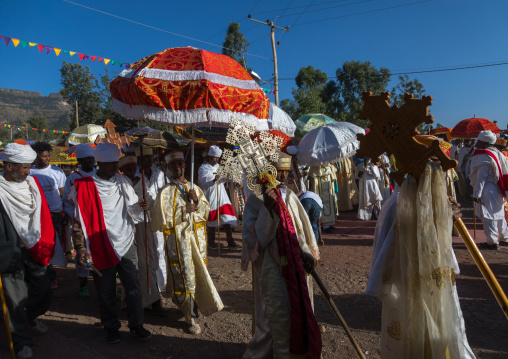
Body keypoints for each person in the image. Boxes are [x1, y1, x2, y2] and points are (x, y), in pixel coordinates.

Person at [366, 161, 475, 359]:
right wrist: (436, 218)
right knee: (418, 336)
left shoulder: (429, 198)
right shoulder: (399, 202)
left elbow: (447, 240)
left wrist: (448, 219)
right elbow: (400, 249)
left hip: (437, 283)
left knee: (444, 331)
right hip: (411, 287)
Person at [242, 152, 322, 358]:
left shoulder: (292, 198)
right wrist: (267, 211)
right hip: (270, 266)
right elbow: (251, 240)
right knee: (272, 315)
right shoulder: (255, 201)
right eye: (279, 172)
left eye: (287, 172)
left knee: (297, 309)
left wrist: (307, 254)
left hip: (295, 263)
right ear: (268, 174)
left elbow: (300, 233)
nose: (284, 176)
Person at [70, 143, 152, 344]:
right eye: (109, 164)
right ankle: (111, 326)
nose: (115, 168)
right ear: (99, 163)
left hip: (126, 242)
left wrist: (141, 207)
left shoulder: (124, 182)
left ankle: (136, 325)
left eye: (116, 163)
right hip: (99, 245)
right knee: (106, 290)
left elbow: (133, 212)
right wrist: (80, 248)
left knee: (133, 288)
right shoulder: (84, 186)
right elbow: (78, 222)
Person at [151, 151, 223, 335]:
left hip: (197, 241)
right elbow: (160, 220)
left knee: (198, 274)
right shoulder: (165, 192)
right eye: (173, 164)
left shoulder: (195, 188)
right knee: (186, 276)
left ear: (185, 165)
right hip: (179, 242)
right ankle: (191, 317)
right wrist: (184, 210)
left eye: (180, 163)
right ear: (168, 168)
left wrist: (197, 201)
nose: (178, 167)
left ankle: (197, 308)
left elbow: (206, 212)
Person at [0, 143, 56, 359]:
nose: (27, 171)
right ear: (9, 165)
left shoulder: (32, 184)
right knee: (16, 298)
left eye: (29, 167)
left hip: (34, 245)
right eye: (24, 167)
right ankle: (22, 341)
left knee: (43, 292)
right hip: (8, 250)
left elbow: (41, 215)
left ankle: (29, 317)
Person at [131, 147, 168, 311]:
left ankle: (160, 286)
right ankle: (149, 292)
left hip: (157, 218)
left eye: (150, 157)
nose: (148, 160)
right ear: (140, 160)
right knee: (145, 256)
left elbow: (164, 195)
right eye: (145, 158)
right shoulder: (134, 177)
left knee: (159, 251)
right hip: (140, 220)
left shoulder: (160, 174)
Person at [30, 141, 66, 289]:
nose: (47, 159)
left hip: (55, 213)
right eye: (44, 156)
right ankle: (44, 275)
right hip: (37, 214)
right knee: (40, 244)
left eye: (48, 156)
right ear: (36, 157)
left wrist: (63, 213)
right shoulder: (30, 172)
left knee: (53, 245)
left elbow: (62, 193)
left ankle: (52, 276)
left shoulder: (57, 172)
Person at [62, 144, 96, 298]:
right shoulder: (73, 178)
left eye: (91, 158)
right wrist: (77, 216)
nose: (90, 161)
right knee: (81, 253)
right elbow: (67, 201)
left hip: (97, 220)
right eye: (86, 159)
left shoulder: (99, 174)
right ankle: (83, 284)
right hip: (80, 222)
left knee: (98, 251)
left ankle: (104, 284)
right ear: (80, 161)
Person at [469, 130, 508, 250]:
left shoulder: (484, 156)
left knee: (488, 216)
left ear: (485, 143)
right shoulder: (497, 153)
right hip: (497, 189)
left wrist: (476, 194)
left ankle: (492, 242)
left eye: (479, 142)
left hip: (487, 189)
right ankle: (505, 239)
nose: (477, 143)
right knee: (499, 215)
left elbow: (481, 177)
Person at [198, 145, 239, 249]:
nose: (217, 160)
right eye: (215, 157)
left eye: (217, 158)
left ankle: (230, 241)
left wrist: (223, 180)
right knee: (212, 219)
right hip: (210, 196)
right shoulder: (203, 168)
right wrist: (213, 180)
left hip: (221, 196)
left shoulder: (219, 168)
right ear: (210, 157)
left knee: (227, 218)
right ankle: (211, 242)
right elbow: (202, 184)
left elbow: (222, 180)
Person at [308, 162, 338, 232]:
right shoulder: (315, 165)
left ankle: (329, 223)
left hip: (328, 183)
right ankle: (324, 225)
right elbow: (318, 172)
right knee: (322, 203)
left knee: (330, 202)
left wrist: (331, 166)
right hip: (320, 185)